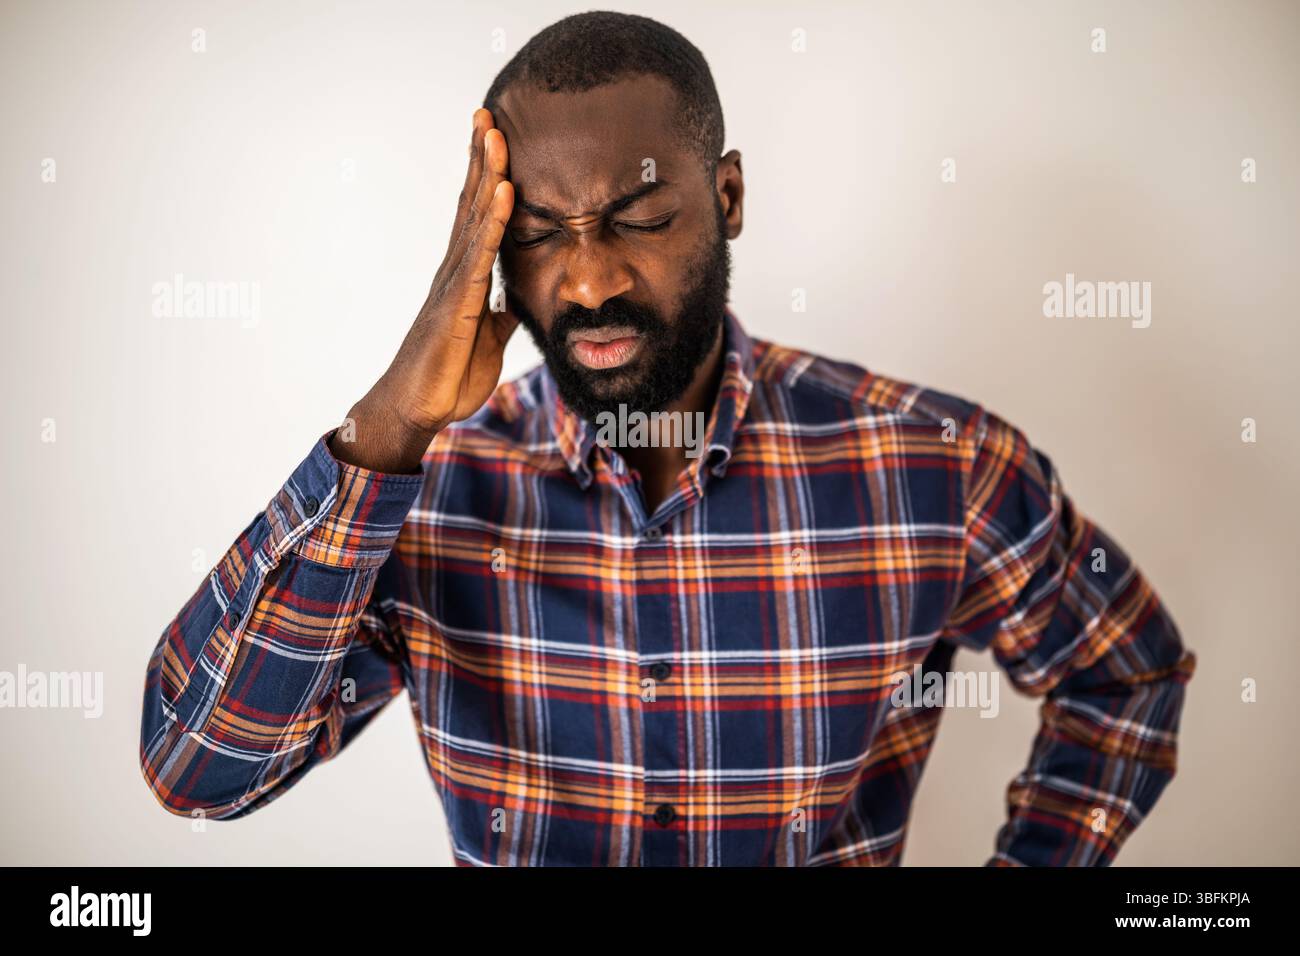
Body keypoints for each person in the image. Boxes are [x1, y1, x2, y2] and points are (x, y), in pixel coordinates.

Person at [138, 11, 1196, 866]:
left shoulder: (934, 465)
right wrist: (387, 425)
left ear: (725, 197)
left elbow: (1123, 674)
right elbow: (196, 770)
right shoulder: (426, 496)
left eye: (639, 219)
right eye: (538, 233)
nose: (588, 281)